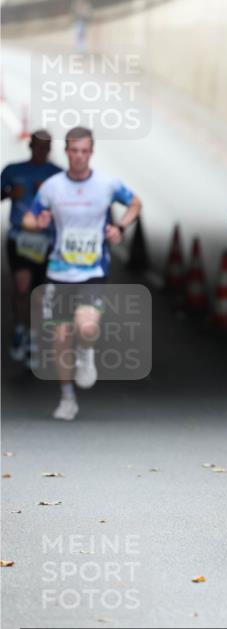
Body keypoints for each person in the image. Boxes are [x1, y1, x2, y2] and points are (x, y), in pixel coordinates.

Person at [22, 126, 142, 420]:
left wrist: (121, 228)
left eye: (84, 151)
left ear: (91, 152)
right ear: (66, 152)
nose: (78, 157)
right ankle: (67, 398)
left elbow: (135, 203)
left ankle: (86, 353)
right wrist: (37, 222)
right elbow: (27, 217)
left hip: (92, 271)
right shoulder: (52, 186)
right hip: (59, 272)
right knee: (61, 336)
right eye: (73, 151)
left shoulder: (107, 184)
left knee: (86, 327)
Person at [1, 130, 62, 362]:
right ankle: (19, 329)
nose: (41, 152)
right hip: (19, 238)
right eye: (38, 147)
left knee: (38, 293)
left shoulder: (56, 176)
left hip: (45, 241)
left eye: (46, 148)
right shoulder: (13, 170)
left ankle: (33, 336)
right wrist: (8, 193)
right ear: (30, 146)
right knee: (21, 287)